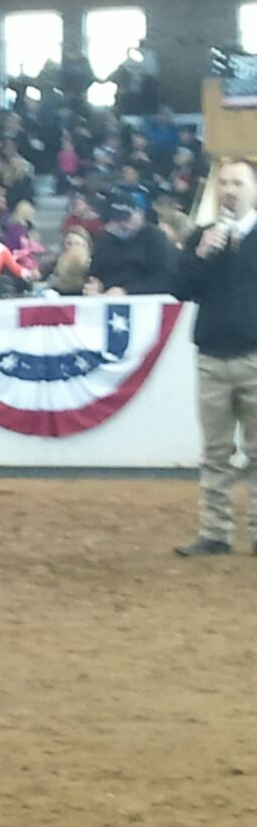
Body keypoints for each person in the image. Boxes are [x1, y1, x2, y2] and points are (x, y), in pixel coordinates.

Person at [171, 159, 257, 557]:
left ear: (254, 189)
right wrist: (201, 254)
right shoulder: (204, 237)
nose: (229, 190)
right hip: (211, 357)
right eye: (223, 183)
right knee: (215, 453)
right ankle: (214, 532)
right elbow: (179, 288)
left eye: (237, 183)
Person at [85, 191, 177, 297]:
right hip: (106, 297)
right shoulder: (104, 241)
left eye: (126, 217)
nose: (122, 223)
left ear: (141, 214)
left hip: (145, 301)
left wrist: (127, 291)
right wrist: (95, 283)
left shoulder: (155, 238)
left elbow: (166, 278)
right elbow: (95, 271)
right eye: (115, 219)